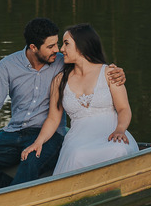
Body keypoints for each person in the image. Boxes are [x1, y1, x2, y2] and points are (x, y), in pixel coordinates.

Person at [0, 17, 124, 191]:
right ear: (33, 48)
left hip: (49, 137)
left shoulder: (63, 62)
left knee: (30, 162)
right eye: (50, 46)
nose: (57, 50)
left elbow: (92, 69)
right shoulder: (7, 66)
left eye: (58, 44)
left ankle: (12, 200)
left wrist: (117, 73)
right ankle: (9, 194)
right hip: (14, 133)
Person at [21, 23, 138, 177]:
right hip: (78, 138)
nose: (61, 49)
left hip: (111, 131)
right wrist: (38, 142)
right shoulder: (59, 80)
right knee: (77, 155)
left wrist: (120, 129)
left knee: (119, 149)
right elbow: (53, 118)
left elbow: (123, 108)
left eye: (66, 43)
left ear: (82, 46)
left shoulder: (109, 72)